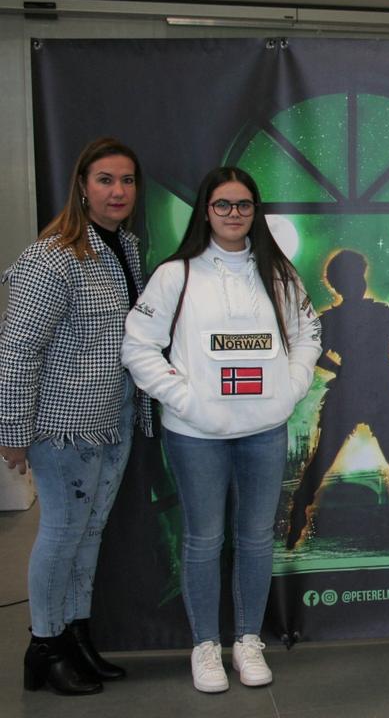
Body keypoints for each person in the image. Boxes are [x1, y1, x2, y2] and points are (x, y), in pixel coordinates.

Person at [122, 167, 321, 694]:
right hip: (195, 435)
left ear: (256, 212)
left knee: (256, 539)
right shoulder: (176, 274)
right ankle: (206, 645)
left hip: (264, 430)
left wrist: (291, 388)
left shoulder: (280, 273)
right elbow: (138, 347)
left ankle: (248, 640)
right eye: (223, 205)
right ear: (205, 211)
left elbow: (308, 336)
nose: (234, 214)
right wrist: (187, 400)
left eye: (244, 205)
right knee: (204, 539)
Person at [1, 137, 153, 695]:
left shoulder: (126, 248)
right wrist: (12, 435)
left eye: (127, 180)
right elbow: (17, 347)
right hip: (62, 426)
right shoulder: (53, 256)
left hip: (113, 417)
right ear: (82, 186)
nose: (118, 191)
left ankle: (75, 635)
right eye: (105, 180)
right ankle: (43, 647)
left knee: (88, 534)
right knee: (62, 533)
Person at [285, 249, 389, 549]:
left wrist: (339, 368)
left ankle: (298, 516)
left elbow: (314, 353)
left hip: (352, 391)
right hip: (377, 391)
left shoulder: (334, 319)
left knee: (323, 460)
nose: (359, 283)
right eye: (355, 277)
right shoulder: (376, 313)